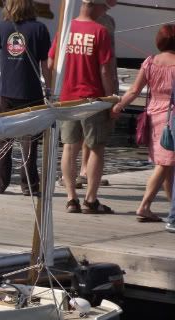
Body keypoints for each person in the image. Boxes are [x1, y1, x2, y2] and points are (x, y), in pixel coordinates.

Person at [49, 0, 115, 214]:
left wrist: (55, 89)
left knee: (69, 148)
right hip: (92, 99)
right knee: (96, 148)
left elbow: (51, 63)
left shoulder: (65, 30)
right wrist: (111, 99)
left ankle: (71, 198)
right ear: (94, 6)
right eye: (103, 7)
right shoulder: (100, 31)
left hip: (67, 98)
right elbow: (105, 70)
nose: (104, 11)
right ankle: (90, 199)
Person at [0, 0, 51, 196]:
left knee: (4, 139)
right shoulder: (40, 29)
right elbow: (45, 64)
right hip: (30, 91)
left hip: (6, 90)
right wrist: (49, 89)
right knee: (30, 141)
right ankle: (29, 185)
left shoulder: (2, 27)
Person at [111, 24, 175, 222]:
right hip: (171, 118)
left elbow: (134, 91)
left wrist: (118, 106)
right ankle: (144, 205)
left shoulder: (150, 61)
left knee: (166, 164)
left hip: (153, 115)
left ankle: (171, 203)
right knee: (165, 164)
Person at [77, 0, 118, 188]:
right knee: (89, 135)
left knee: (92, 135)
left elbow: (110, 59)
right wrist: (110, 95)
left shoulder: (109, 21)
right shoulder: (96, 24)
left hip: (103, 79)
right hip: (93, 84)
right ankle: (84, 172)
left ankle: (86, 170)